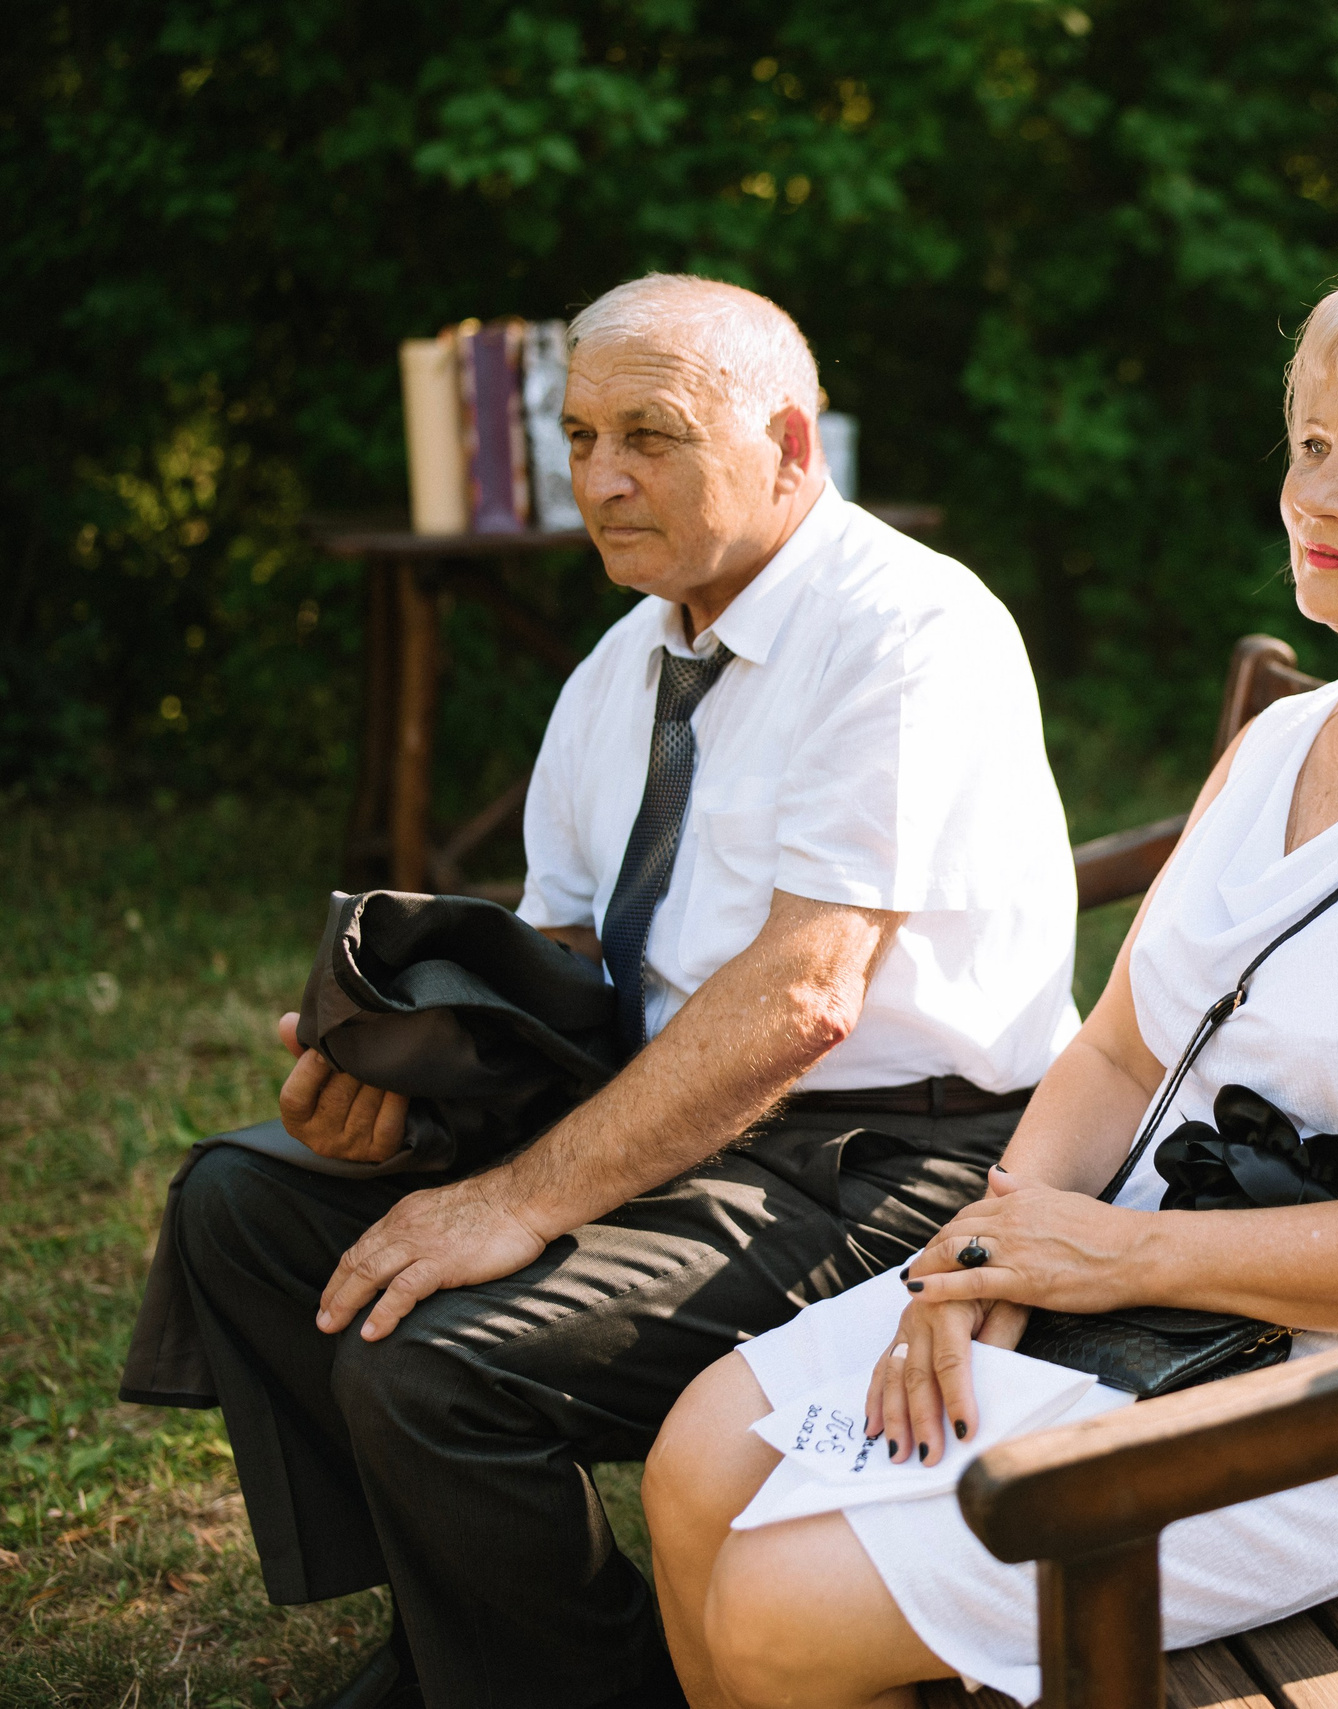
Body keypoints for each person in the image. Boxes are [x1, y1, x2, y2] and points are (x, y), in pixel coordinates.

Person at [638, 237, 1338, 1709]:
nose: (1318, 495)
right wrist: (990, 1254)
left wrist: (1114, 1256)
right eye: (1314, 446)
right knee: (693, 1465)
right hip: (1121, 1267)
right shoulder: (1288, 739)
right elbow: (1120, 1049)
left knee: (774, 1606)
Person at [134, 276, 1082, 1709]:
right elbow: (571, 962)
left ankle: (572, 1683)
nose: (603, 478)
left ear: (788, 441)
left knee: (437, 1364)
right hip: (692, 1115)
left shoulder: (905, 633)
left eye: (651, 434)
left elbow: (806, 995)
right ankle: (472, 1629)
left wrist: (516, 1199)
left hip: (891, 1158)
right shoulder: (624, 661)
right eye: (580, 437)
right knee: (242, 1207)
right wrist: (412, 1064)